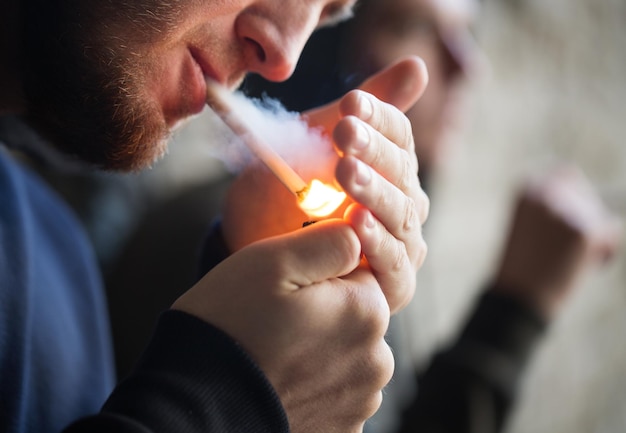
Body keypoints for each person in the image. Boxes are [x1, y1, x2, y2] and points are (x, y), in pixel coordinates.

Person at [0, 1, 431, 432]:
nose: (283, 57)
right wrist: (229, 403)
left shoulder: (58, 262)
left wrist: (245, 268)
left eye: (324, 15)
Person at [240, 0, 623, 432]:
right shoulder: (250, 249)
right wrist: (512, 313)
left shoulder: (353, 231)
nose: (468, 65)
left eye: (467, 35)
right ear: (322, 46)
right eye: (415, 27)